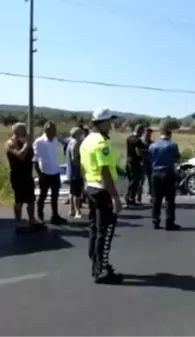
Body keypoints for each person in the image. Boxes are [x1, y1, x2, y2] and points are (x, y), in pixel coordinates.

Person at [80, 107, 123, 284]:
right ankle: (102, 270)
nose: (111, 124)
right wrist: (115, 197)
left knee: (95, 228)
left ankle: (96, 264)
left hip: (91, 187)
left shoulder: (86, 141)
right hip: (102, 189)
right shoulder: (102, 143)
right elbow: (105, 171)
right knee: (105, 231)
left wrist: (86, 185)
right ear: (102, 123)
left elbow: (82, 166)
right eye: (109, 121)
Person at [5, 122, 46, 234]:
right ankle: (18, 221)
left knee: (31, 199)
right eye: (24, 130)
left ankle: (32, 219)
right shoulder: (11, 143)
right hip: (17, 175)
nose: (26, 132)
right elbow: (20, 156)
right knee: (19, 199)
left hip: (27, 174)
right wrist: (27, 144)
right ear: (17, 131)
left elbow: (31, 156)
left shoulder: (24, 142)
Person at [148, 125, 181, 230]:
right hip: (168, 173)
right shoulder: (172, 145)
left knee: (156, 199)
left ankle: (155, 220)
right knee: (169, 199)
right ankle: (169, 222)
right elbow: (177, 158)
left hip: (155, 173)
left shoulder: (152, 146)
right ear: (170, 134)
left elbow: (149, 158)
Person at [33, 121, 67, 224]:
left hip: (55, 172)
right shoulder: (39, 142)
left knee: (55, 196)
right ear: (45, 131)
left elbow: (64, 142)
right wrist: (40, 174)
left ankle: (55, 216)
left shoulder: (55, 140)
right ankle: (40, 214)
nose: (52, 133)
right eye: (50, 131)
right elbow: (35, 159)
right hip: (45, 173)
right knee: (43, 195)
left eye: (54, 131)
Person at [125, 124, 147, 207]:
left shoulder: (129, 138)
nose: (143, 133)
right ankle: (130, 198)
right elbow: (139, 151)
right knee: (135, 182)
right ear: (139, 130)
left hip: (128, 161)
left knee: (131, 181)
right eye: (142, 131)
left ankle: (130, 198)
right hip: (135, 163)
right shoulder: (137, 140)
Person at [66, 127, 85, 219]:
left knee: (72, 192)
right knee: (77, 193)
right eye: (81, 134)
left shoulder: (70, 142)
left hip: (70, 172)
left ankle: (72, 210)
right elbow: (75, 159)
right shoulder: (76, 143)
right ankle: (77, 211)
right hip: (76, 172)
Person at [138, 127, 154, 203]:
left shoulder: (152, 143)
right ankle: (139, 197)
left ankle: (152, 196)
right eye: (147, 133)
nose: (148, 135)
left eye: (149, 134)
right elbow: (138, 152)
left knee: (151, 181)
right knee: (141, 181)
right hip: (142, 163)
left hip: (150, 163)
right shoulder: (140, 142)